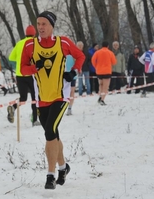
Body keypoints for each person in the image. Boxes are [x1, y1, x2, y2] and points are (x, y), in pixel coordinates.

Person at [20, 11, 85, 189]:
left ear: (51, 26)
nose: (40, 27)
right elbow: (22, 69)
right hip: (42, 98)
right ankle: (63, 167)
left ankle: (50, 175)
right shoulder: (29, 46)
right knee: (53, 134)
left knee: (50, 131)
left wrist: (74, 71)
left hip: (60, 96)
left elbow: (80, 56)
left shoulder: (63, 42)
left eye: (44, 24)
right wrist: (34, 68)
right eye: (38, 24)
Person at [8, 25, 39, 126]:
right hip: (30, 74)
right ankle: (34, 120)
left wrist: (20, 59)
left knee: (23, 98)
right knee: (35, 98)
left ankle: (13, 107)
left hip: (19, 74)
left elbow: (11, 57)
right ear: (34, 34)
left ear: (26, 34)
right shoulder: (34, 43)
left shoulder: (19, 43)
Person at [91, 41, 116, 105]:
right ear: (108, 46)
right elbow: (114, 62)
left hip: (99, 71)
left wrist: (96, 66)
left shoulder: (97, 52)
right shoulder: (110, 53)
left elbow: (93, 60)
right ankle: (102, 99)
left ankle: (100, 95)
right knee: (106, 86)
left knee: (101, 84)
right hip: (107, 71)